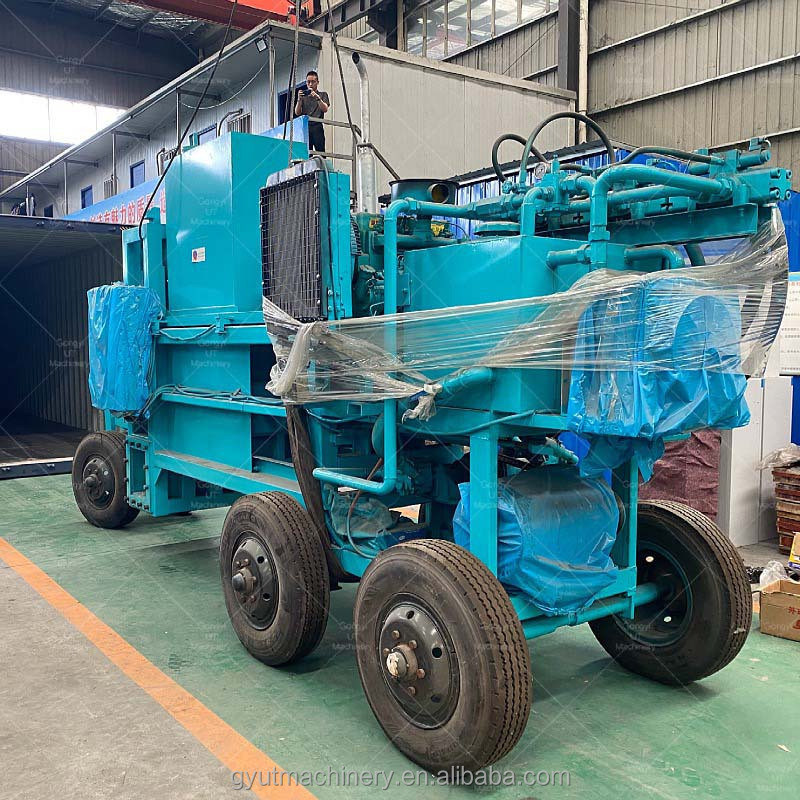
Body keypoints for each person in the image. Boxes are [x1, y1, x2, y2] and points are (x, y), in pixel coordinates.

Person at [294, 70, 330, 154]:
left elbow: (325, 109)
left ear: (317, 82)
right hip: (306, 127)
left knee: (320, 151)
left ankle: (321, 166)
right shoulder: (303, 96)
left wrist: (318, 98)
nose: (310, 84)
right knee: (306, 153)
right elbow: (297, 112)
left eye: (313, 82)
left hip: (317, 126)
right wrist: (299, 99)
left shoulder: (323, 95)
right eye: (308, 82)